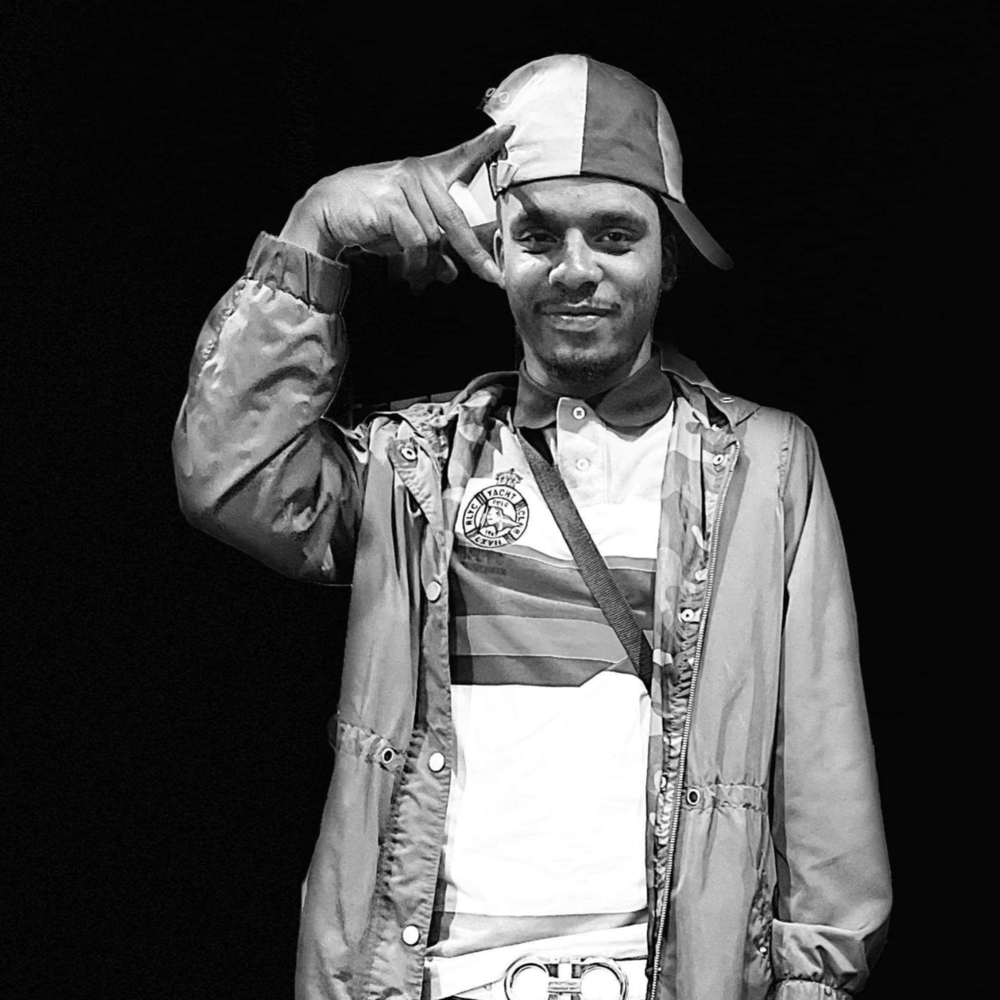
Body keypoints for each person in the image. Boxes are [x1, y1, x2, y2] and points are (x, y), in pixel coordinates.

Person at [172, 54, 890, 1000]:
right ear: (496, 253)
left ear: (668, 259)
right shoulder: (418, 466)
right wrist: (318, 228)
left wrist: (815, 982)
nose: (576, 269)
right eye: (540, 236)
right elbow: (230, 477)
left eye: (616, 234)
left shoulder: (767, 464)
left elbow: (824, 770)